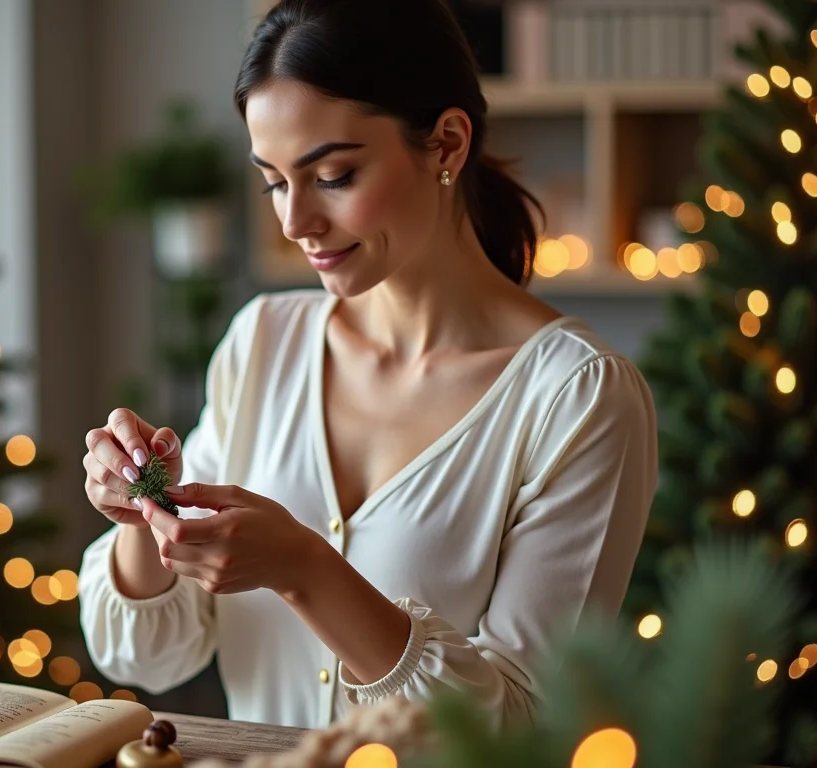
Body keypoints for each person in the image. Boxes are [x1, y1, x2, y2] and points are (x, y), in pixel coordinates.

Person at [77, 0, 658, 731]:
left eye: (335, 175)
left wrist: (306, 569)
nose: (295, 224)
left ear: (447, 144)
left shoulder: (578, 399)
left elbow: (522, 727)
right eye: (275, 181)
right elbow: (151, 658)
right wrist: (142, 516)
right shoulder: (262, 341)